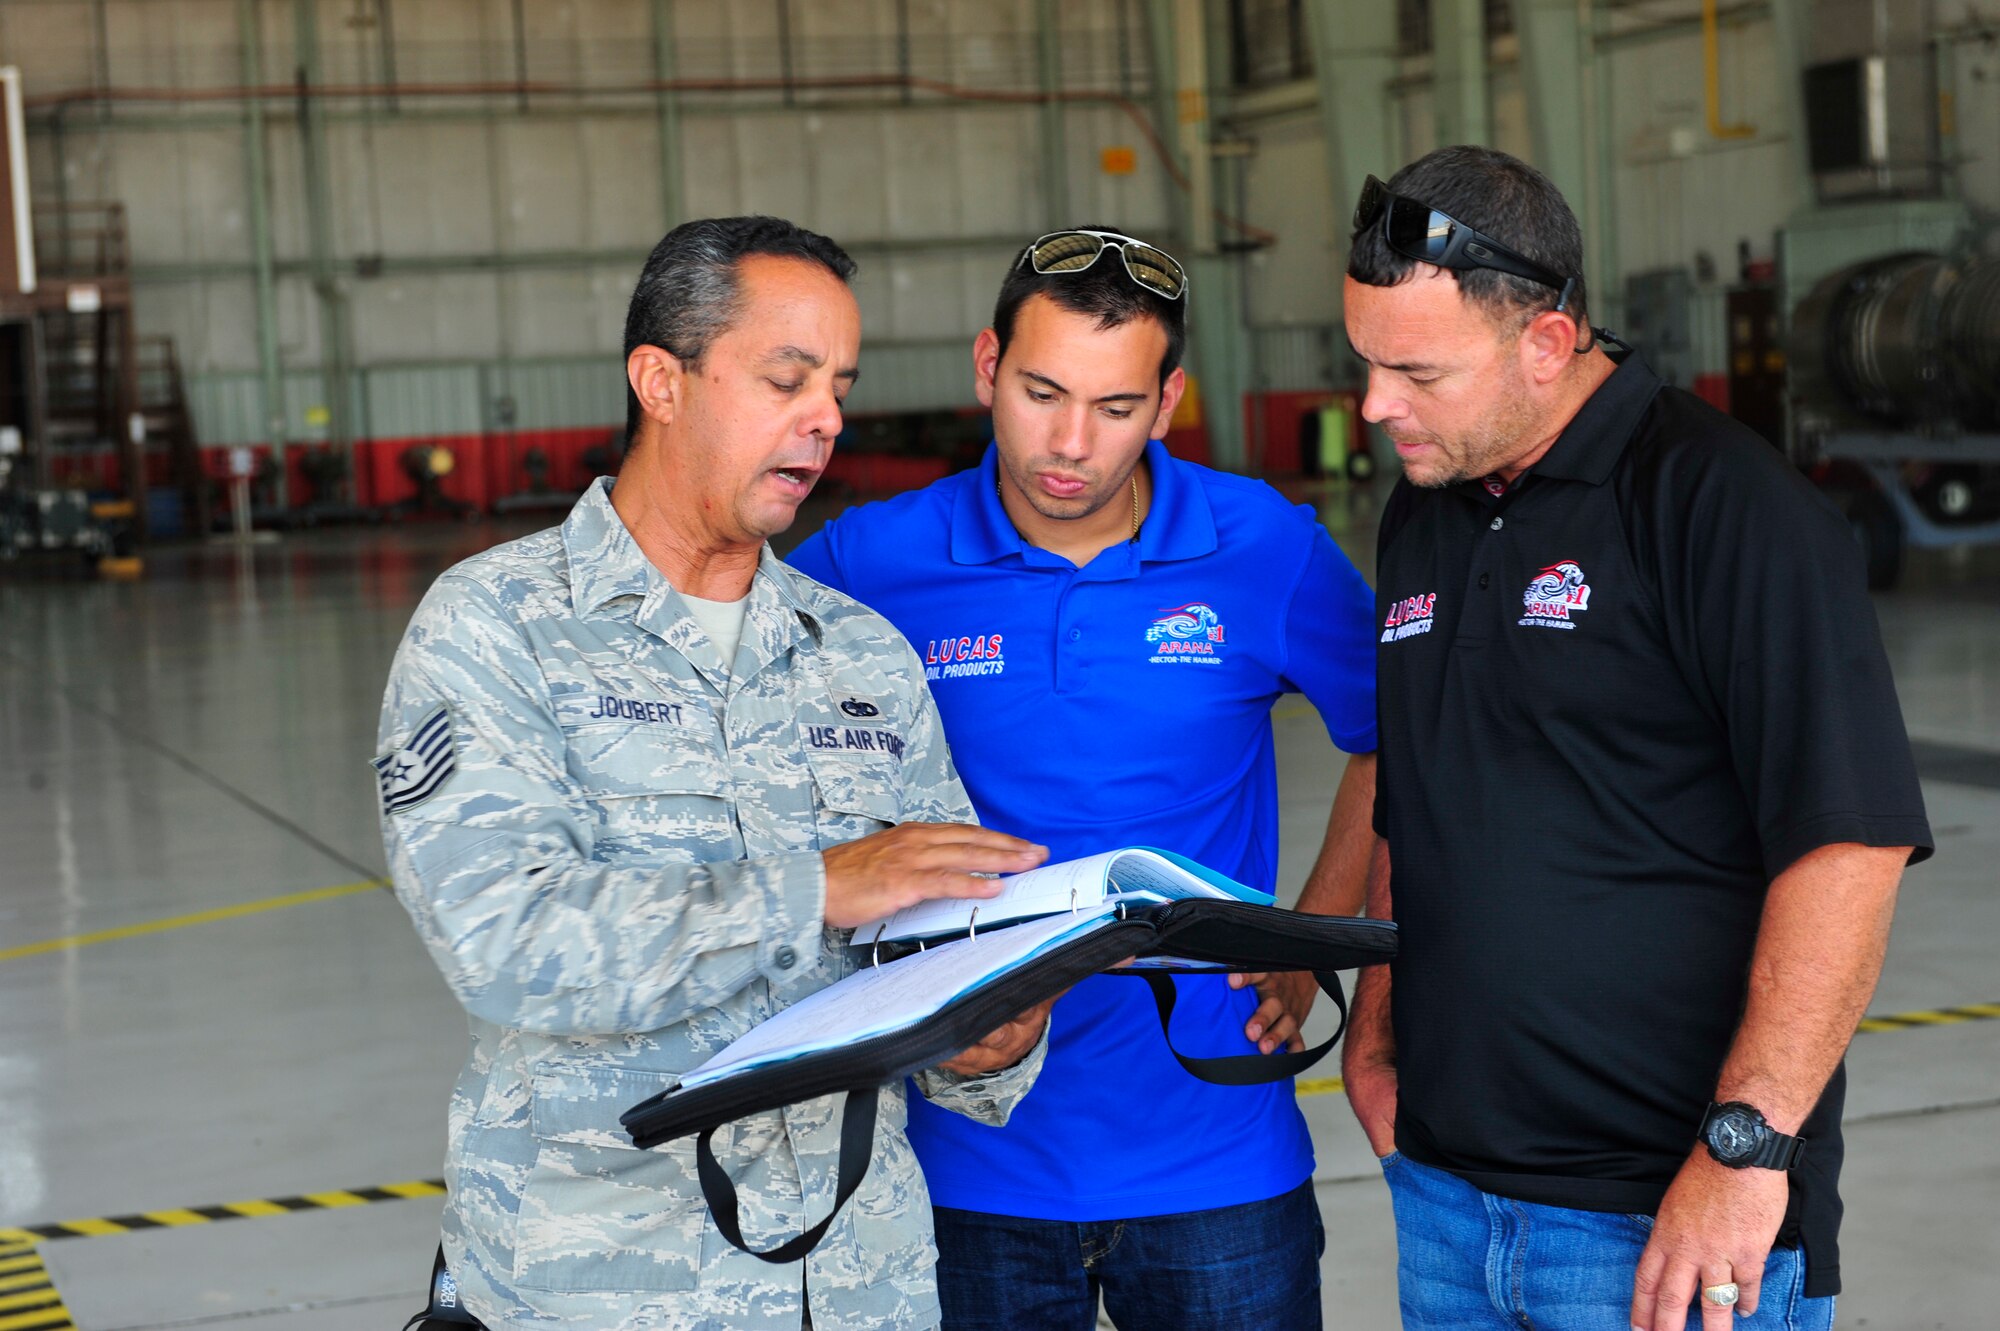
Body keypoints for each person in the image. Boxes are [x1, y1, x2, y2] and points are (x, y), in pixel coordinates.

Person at [374, 215, 1060, 1331]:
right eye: (785, 378)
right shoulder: (496, 627)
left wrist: (992, 1036)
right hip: (596, 1289)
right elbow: (503, 942)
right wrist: (818, 885)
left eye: (838, 383)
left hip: (855, 1284)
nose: (825, 417)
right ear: (661, 380)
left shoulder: (859, 653)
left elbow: (941, 944)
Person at [1338, 145, 1933, 1331]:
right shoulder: (1422, 509)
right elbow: (1419, 788)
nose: (1372, 406)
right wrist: (1373, 1018)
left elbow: (1846, 852)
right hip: (1449, 1203)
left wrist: (1742, 1150)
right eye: (1361, 361)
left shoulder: (1730, 510)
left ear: (1545, 344)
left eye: (1414, 370)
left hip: (1664, 1223)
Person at [787, 226, 1380, 1330]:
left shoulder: (1261, 547)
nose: (1068, 442)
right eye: (1038, 391)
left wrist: (1311, 936)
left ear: (1167, 403)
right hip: (963, 1161)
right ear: (984, 368)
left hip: (1215, 1153)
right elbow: (730, 724)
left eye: (1115, 407)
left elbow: (1392, 737)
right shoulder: (870, 562)